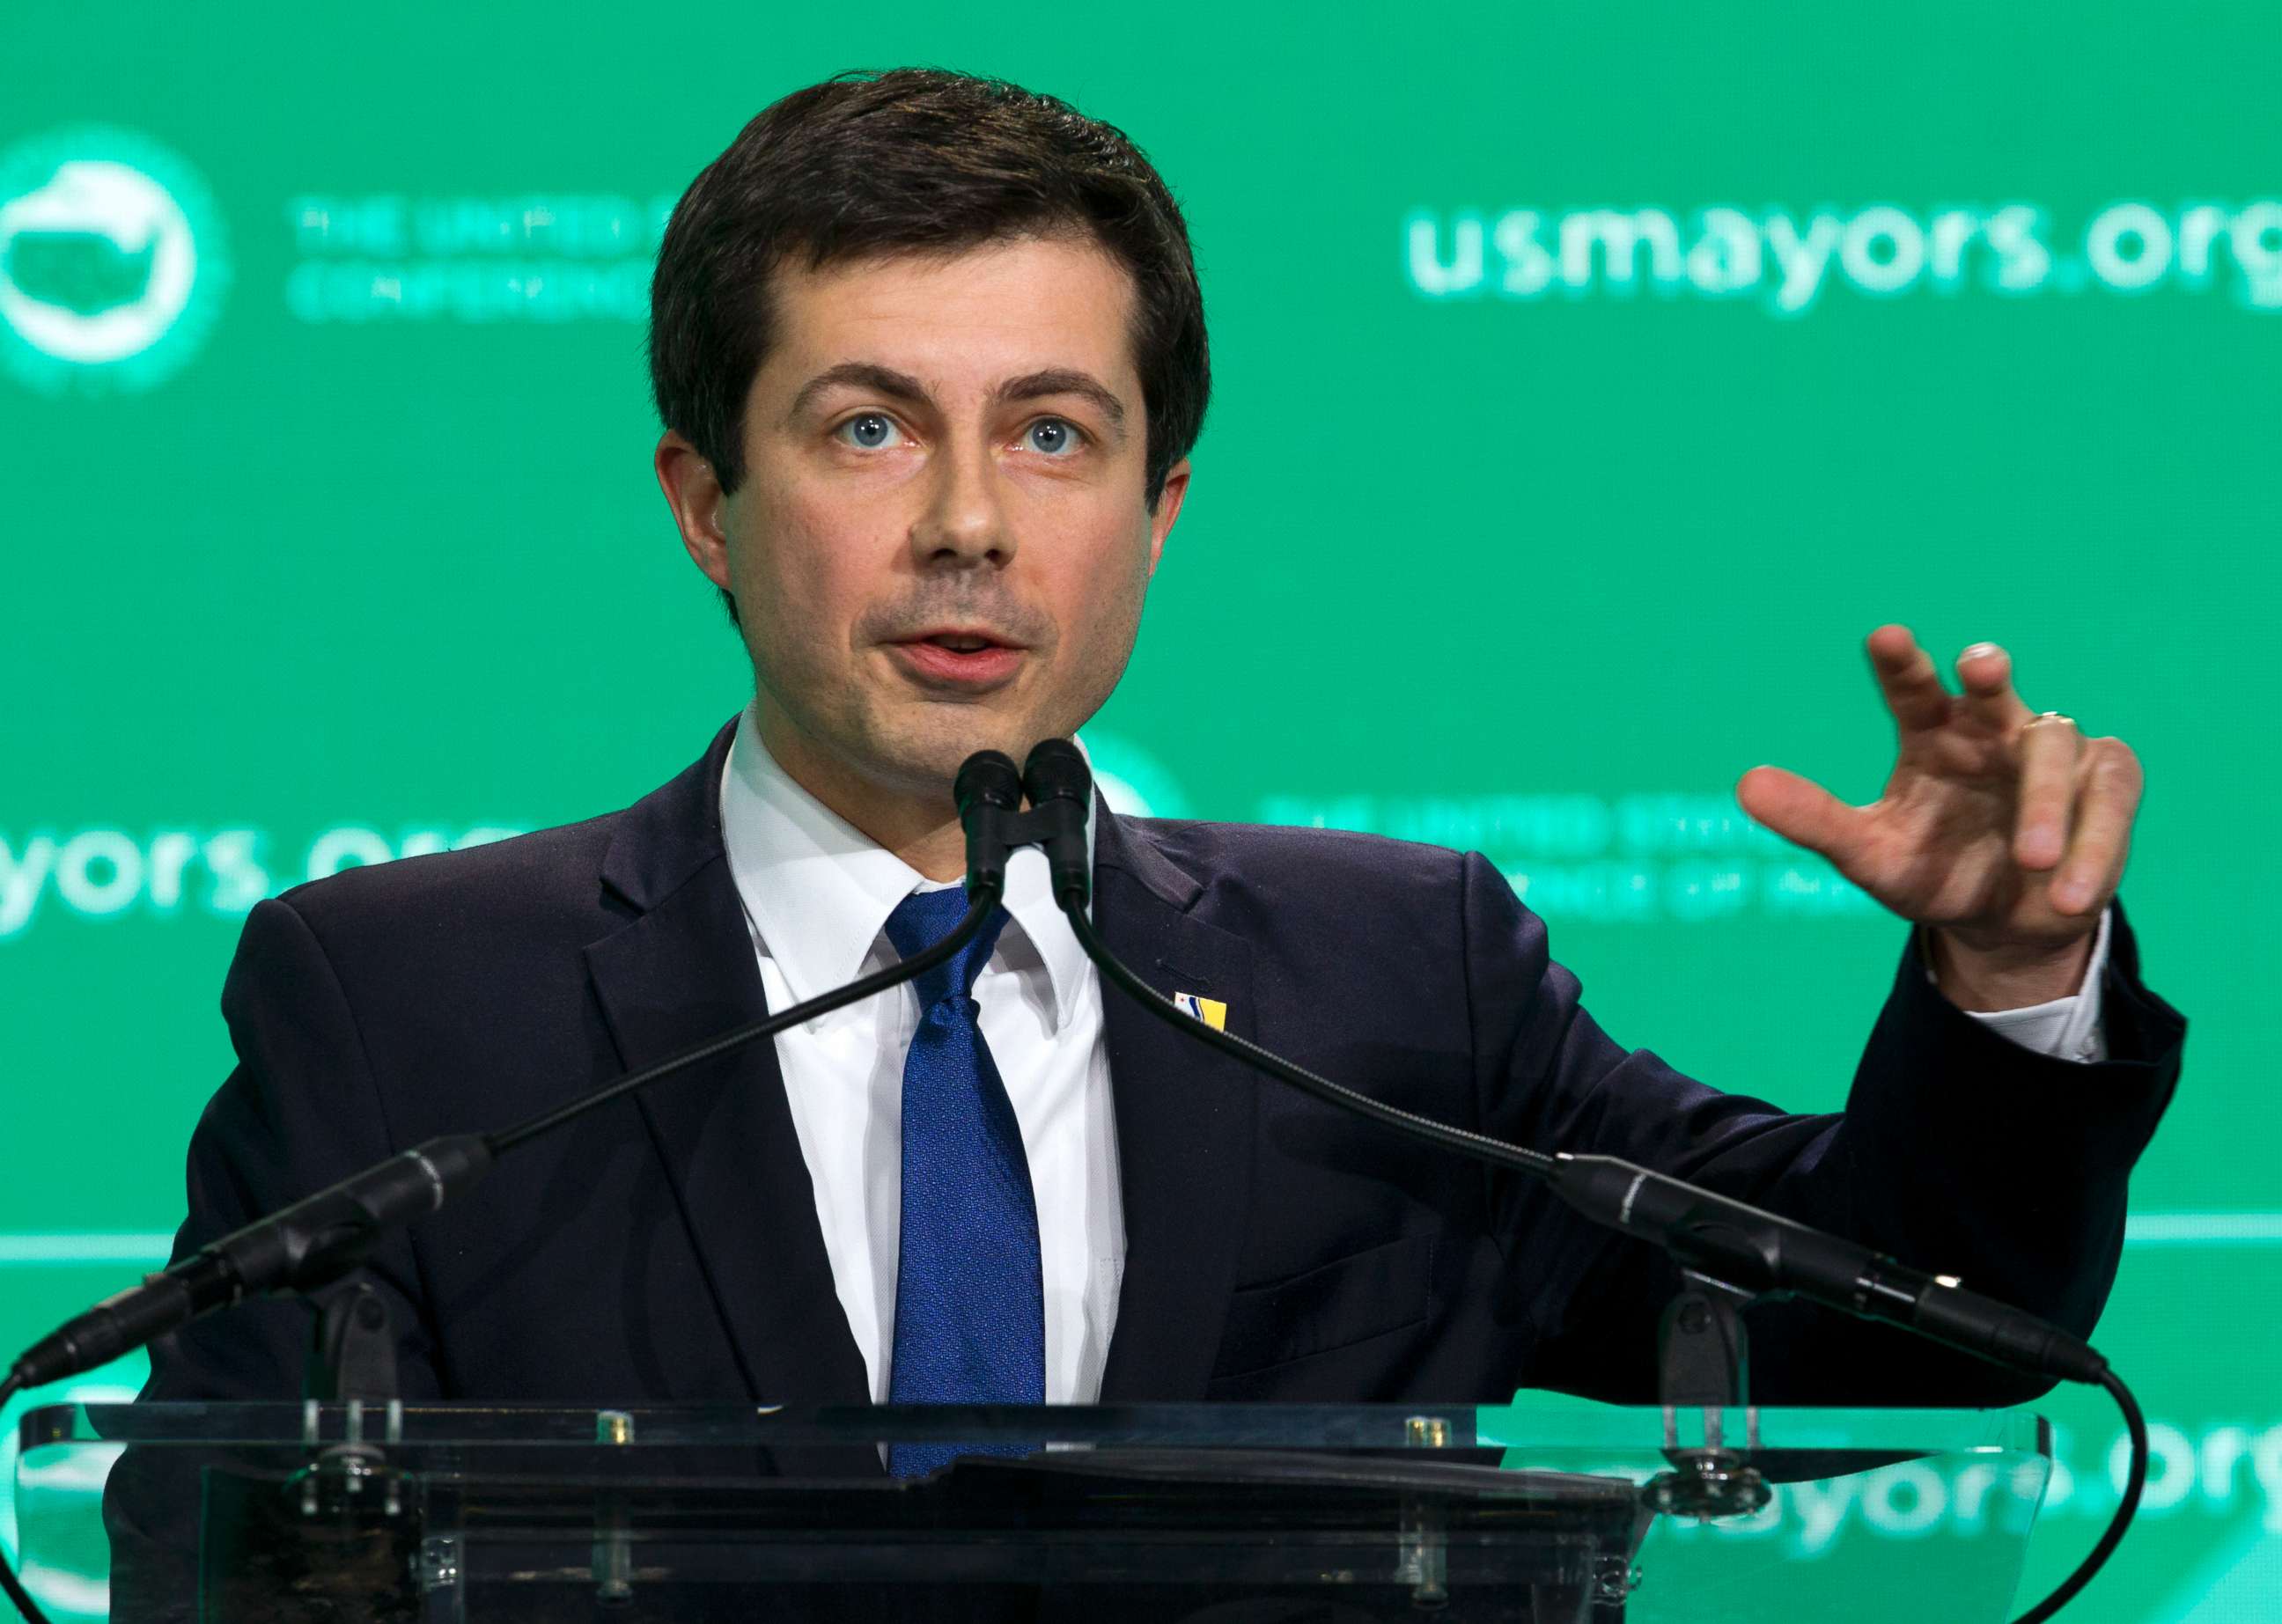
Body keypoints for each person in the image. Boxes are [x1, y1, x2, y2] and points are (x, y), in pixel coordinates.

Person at [133, 66, 2181, 1457]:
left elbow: (1910, 1315)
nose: (967, 521)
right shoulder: (408, 1005)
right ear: (702, 500)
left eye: (1050, 431)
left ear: (1158, 504)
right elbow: (231, 1548)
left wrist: (2010, 990)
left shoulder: (1401, 979)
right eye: (866, 427)